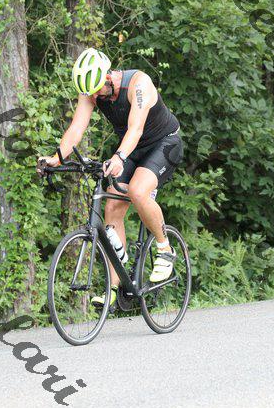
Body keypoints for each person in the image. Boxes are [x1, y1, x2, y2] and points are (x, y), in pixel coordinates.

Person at [37, 47, 183, 308]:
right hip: (132, 149)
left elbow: (136, 129)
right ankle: (115, 288)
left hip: (164, 144)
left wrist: (118, 157)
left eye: (97, 91)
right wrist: (55, 159)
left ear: (108, 76)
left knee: (138, 190)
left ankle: (165, 249)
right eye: (90, 93)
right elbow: (76, 129)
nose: (94, 97)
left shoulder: (138, 84)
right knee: (112, 207)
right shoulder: (90, 91)